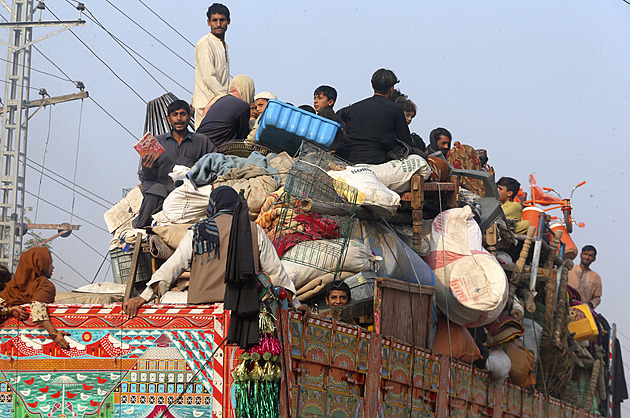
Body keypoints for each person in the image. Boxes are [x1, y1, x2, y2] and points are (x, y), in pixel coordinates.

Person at [124, 186, 306, 318]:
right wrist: (296, 305)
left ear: (212, 206)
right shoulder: (254, 231)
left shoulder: (198, 231)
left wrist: (143, 297)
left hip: (202, 317)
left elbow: (173, 267)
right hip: (243, 316)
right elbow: (276, 273)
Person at [133, 100, 217, 228]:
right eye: (175, 114)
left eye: (183, 114)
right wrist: (146, 168)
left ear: (189, 117)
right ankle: (141, 226)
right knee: (154, 190)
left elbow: (215, 162)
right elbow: (147, 178)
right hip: (161, 193)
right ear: (168, 118)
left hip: (189, 193)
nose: (179, 118)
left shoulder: (201, 141)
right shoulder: (156, 142)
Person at [335, 68, 415, 164]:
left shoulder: (354, 108)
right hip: (376, 159)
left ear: (372, 86)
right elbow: (405, 141)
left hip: (348, 156)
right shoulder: (395, 109)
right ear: (391, 88)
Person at [0, 247, 69, 349]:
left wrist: (9, 310)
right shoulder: (44, 285)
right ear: (41, 264)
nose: (53, 267)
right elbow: (37, 309)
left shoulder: (10, 286)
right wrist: (54, 334)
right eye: (50, 263)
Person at [192, 3, 231, 129]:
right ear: (208, 22)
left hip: (218, 104)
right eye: (215, 20)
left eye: (222, 20)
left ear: (228, 21)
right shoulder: (205, 43)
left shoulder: (223, 45)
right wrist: (227, 99)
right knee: (206, 144)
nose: (218, 24)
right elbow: (208, 76)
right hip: (207, 104)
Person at [196, 74, 255, 147]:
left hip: (196, 143)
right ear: (249, 90)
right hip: (212, 149)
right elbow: (242, 138)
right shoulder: (243, 106)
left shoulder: (217, 100)